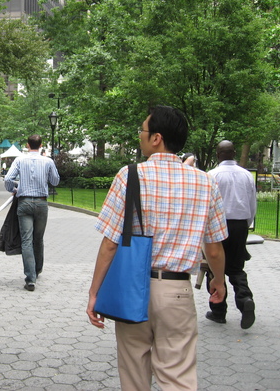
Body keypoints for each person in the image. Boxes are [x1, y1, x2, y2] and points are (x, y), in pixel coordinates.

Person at [86, 105, 228, 390]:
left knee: (134, 373)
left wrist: (94, 292)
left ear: (156, 138)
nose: (139, 135)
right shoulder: (206, 183)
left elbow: (110, 244)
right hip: (177, 292)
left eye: (142, 130)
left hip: (132, 288)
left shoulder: (129, 176)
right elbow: (213, 249)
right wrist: (219, 281)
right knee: (178, 376)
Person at [206, 140, 257, 329]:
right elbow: (252, 203)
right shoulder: (246, 175)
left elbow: (208, 204)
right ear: (234, 153)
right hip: (240, 225)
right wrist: (247, 223)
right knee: (235, 267)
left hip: (218, 224)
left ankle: (218, 311)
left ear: (217, 155)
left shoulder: (212, 175)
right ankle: (245, 300)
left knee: (214, 268)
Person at [4, 134, 60, 291]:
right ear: (41, 145)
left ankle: (30, 278)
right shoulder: (48, 161)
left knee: (26, 240)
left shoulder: (20, 160)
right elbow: (55, 181)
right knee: (38, 238)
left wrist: (14, 189)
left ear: (28, 145)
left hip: (24, 202)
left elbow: (8, 179)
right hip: (41, 202)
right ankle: (37, 268)